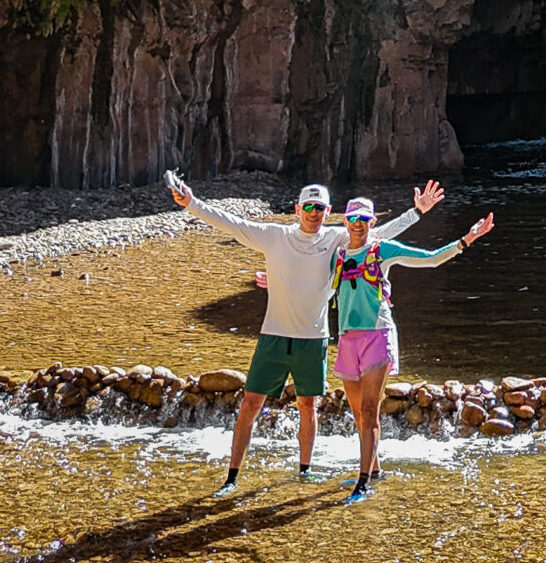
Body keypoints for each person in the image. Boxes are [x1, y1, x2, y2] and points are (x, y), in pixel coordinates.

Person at [166, 173, 444, 496]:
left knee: (308, 405)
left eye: (320, 208)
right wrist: (192, 203)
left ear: (328, 212)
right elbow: (232, 224)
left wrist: (418, 212)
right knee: (250, 403)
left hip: (314, 339)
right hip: (273, 334)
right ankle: (231, 477)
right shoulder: (275, 236)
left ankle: (305, 470)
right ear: (297, 209)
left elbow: (376, 235)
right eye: (308, 206)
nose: (314, 213)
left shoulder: (336, 239)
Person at [333, 195, 494, 499]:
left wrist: (466, 240)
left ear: (372, 222)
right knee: (358, 413)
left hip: (377, 336)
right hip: (347, 338)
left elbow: (431, 258)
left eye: (364, 220)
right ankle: (375, 469)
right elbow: (312, 282)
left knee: (370, 410)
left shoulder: (383, 250)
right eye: (353, 219)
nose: (358, 225)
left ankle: (363, 481)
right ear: (345, 221)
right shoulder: (337, 255)